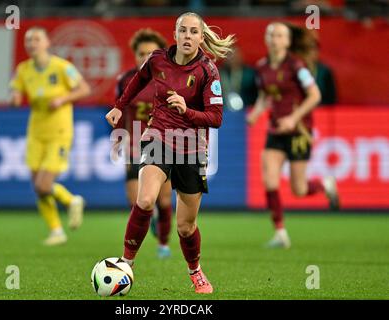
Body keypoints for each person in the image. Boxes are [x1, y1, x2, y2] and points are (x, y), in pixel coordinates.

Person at [106, 12, 234, 293]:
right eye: (183, 31)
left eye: (193, 32)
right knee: (146, 199)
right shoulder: (157, 59)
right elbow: (137, 81)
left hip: (191, 148)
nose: (188, 36)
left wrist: (186, 110)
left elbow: (216, 118)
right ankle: (127, 264)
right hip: (158, 138)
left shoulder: (207, 70)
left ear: (201, 38)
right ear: (175, 34)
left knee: (186, 227)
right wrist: (119, 106)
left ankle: (195, 271)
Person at [246, 22, 339, 249]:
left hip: (299, 131)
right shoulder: (261, 68)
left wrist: (293, 118)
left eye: (279, 35)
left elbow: (315, 95)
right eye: (271, 35)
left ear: (287, 42)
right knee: (269, 179)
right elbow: (264, 96)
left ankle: (324, 184)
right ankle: (280, 233)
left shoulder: (297, 66)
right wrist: (257, 113)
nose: (274, 39)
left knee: (299, 189)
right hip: (276, 130)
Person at [9, 27, 91, 246]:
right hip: (36, 133)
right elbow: (15, 94)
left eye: (36, 39)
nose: (32, 43)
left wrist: (63, 99)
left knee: (43, 185)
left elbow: (84, 89)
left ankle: (72, 200)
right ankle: (56, 230)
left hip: (59, 132)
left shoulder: (62, 67)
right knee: (37, 185)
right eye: (28, 40)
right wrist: (14, 98)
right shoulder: (23, 70)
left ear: (46, 43)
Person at [115, 28, 173, 259]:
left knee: (165, 199)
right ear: (135, 54)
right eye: (141, 53)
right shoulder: (126, 80)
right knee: (137, 201)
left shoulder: (168, 78)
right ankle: (151, 225)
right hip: (134, 148)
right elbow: (117, 110)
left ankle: (164, 244)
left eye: (151, 53)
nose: (145, 57)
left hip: (163, 145)